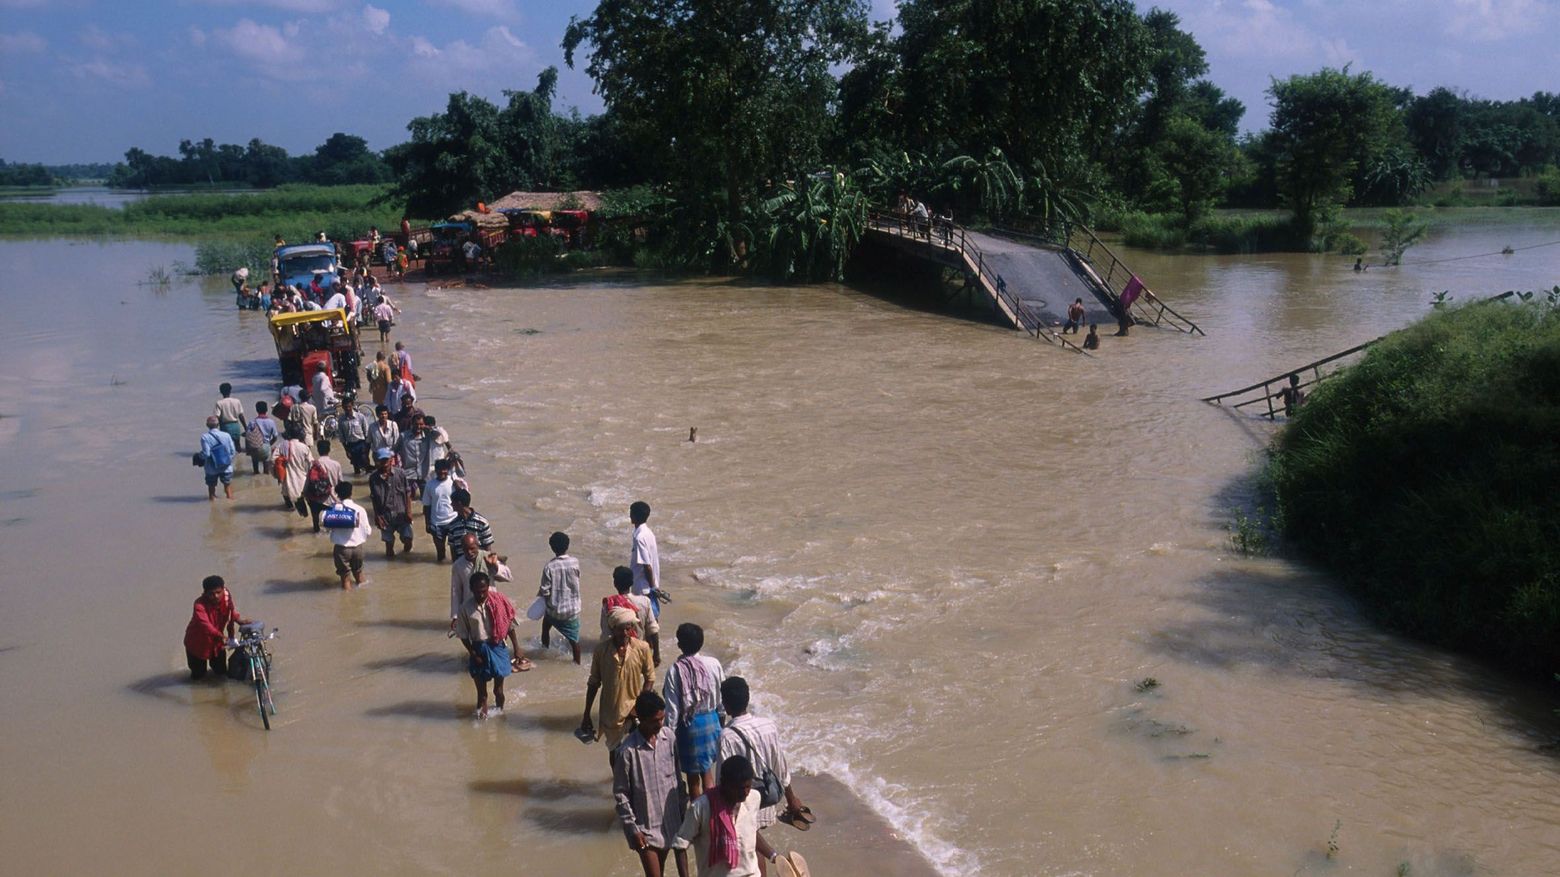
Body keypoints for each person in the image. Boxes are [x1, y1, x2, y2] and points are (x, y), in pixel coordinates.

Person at [717, 676, 811, 834]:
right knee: (755, 839)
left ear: (725, 706)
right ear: (748, 698)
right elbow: (780, 767)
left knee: (750, 845)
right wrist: (791, 800)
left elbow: (722, 780)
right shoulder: (769, 725)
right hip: (768, 796)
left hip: (742, 803)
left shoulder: (726, 736)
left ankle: (773, 857)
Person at [613, 690, 686, 877]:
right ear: (642, 719)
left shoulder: (669, 738)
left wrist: (683, 810)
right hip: (646, 829)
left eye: (662, 718)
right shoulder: (627, 751)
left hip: (673, 820)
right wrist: (633, 829)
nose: (660, 724)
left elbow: (678, 777)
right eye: (655, 721)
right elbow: (621, 795)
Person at [671, 755, 778, 877]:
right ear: (723, 783)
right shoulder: (701, 807)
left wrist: (773, 855)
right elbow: (680, 845)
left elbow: (750, 831)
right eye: (739, 788)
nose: (745, 792)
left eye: (748, 786)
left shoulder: (754, 798)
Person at [580, 607, 657, 764]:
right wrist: (586, 713)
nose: (625, 633)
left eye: (628, 628)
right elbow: (594, 682)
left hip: (636, 711)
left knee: (640, 752)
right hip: (611, 712)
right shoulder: (601, 650)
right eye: (620, 630)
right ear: (612, 629)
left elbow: (650, 678)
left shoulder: (642, 648)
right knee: (615, 753)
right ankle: (619, 784)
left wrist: (640, 704)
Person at [663, 623, 726, 797]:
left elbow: (673, 710)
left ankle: (699, 817)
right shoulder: (714, 664)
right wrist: (721, 724)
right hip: (712, 721)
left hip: (689, 727)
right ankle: (712, 811)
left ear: (680, 644)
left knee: (692, 780)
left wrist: (668, 737)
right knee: (707, 771)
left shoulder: (675, 671)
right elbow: (721, 700)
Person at [456, 571, 521, 719]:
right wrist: (473, 654)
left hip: (498, 647)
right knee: (482, 695)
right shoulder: (465, 609)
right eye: (478, 592)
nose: (481, 595)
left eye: (484, 591)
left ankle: (500, 714)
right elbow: (463, 635)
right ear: (471, 590)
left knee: (498, 691)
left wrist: (517, 648)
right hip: (478, 650)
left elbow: (509, 626)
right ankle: (480, 725)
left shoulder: (498, 602)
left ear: (488, 588)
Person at [184, 575, 248, 680]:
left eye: (219, 592)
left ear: (223, 589)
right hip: (197, 645)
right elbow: (206, 625)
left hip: (216, 644)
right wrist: (222, 637)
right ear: (205, 594)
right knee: (198, 676)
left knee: (221, 672)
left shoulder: (227, 597)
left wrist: (238, 620)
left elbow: (230, 610)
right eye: (211, 594)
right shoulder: (199, 605)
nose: (216, 596)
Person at [538, 531, 583, 664]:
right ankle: (577, 663)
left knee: (546, 627)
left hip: (555, 610)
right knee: (574, 640)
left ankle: (544, 650)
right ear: (567, 546)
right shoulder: (575, 562)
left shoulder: (549, 566)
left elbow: (545, 590)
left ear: (552, 547)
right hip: (572, 611)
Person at [602, 565, 660, 663]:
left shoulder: (609, 604)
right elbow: (653, 630)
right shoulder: (644, 602)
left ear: (615, 583)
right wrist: (656, 655)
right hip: (639, 654)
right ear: (632, 583)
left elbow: (606, 635)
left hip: (617, 656)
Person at [369, 447, 415, 557]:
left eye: (386, 460)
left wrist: (409, 511)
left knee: (408, 539)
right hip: (385, 516)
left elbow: (408, 493)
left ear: (391, 460)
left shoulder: (400, 474)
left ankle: (405, 559)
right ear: (377, 462)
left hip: (401, 513)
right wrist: (377, 516)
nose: (384, 464)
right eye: (381, 461)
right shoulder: (373, 478)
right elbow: (374, 498)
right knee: (389, 545)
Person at [326, 481, 372, 590]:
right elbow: (368, 530)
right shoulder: (360, 509)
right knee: (359, 575)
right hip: (358, 548)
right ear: (351, 493)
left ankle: (347, 602)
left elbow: (327, 526)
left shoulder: (334, 509)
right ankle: (361, 598)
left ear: (337, 494)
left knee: (345, 578)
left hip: (341, 549)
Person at [274, 424, 316, 516]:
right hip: (302, 480)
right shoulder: (304, 447)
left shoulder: (281, 446)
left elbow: (272, 461)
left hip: (286, 481)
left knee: (288, 507)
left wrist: (277, 474)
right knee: (304, 511)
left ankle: (290, 520)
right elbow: (311, 464)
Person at [422, 458, 458, 562]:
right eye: (439, 469)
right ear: (436, 470)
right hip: (436, 523)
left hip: (453, 521)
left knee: (454, 553)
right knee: (440, 553)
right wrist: (427, 523)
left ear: (447, 470)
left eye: (444, 469)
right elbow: (427, 506)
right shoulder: (430, 485)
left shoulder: (453, 483)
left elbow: (463, 499)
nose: (442, 472)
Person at [304, 439, 343, 534]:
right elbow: (341, 483)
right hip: (331, 498)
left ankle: (316, 536)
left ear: (318, 450)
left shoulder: (312, 464)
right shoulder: (336, 464)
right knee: (332, 527)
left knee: (316, 526)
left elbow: (307, 482)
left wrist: (305, 495)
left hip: (315, 498)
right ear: (329, 450)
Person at [443, 487, 492, 557]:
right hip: (462, 565)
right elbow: (453, 549)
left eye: (453, 502)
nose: (451, 504)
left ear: (459, 503)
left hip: (479, 563)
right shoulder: (453, 525)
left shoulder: (482, 523)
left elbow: (488, 548)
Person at [199, 415, 236, 501]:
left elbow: (207, 454)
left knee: (211, 491)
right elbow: (233, 451)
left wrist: (200, 456)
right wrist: (226, 460)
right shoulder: (226, 435)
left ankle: (213, 508)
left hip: (211, 468)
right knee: (228, 490)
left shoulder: (205, 437)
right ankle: (230, 510)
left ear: (207, 425)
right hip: (226, 467)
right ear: (218, 424)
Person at [337, 396, 373, 475]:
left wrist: (367, 447)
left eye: (349, 406)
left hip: (361, 443)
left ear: (352, 406)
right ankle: (357, 480)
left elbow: (366, 432)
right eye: (345, 407)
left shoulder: (360, 417)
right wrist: (346, 450)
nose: (348, 409)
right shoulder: (341, 420)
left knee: (365, 462)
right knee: (356, 466)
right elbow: (342, 437)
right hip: (350, 445)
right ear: (342, 407)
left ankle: (368, 480)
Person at [244, 400, 280, 475]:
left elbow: (248, 436)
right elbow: (275, 437)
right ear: (267, 410)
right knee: (266, 471)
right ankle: (266, 479)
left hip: (255, 447)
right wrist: (269, 444)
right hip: (266, 447)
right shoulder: (271, 422)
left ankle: (256, 475)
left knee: (255, 468)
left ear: (256, 410)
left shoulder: (252, 422)